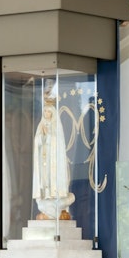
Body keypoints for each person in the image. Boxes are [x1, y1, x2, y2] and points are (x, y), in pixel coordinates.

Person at [32, 81, 74, 220]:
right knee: (44, 180)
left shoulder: (56, 126)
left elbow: (58, 143)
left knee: (52, 180)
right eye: (45, 111)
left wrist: (49, 135)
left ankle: (56, 204)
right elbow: (37, 142)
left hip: (53, 161)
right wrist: (41, 136)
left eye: (49, 111)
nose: (46, 113)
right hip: (44, 160)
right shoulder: (41, 125)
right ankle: (46, 200)